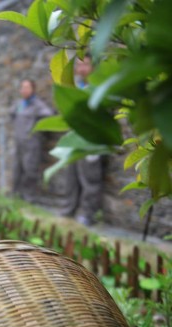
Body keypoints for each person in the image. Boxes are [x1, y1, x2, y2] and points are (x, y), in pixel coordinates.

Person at [60, 55, 105, 226]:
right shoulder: (75, 87)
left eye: (85, 64)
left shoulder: (98, 87)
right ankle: (68, 209)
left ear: (93, 66)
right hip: (74, 139)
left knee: (90, 179)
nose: (81, 68)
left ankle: (88, 214)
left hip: (91, 141)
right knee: (71, 177)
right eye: (78, 64)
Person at [10, 79, 53, 202]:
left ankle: (29, 197)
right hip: (19, 141)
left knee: (30, 170)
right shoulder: (19, 103)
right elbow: (11, 113)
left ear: (33, 89)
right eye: (22, 87)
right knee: (17, 168)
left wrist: (34, 125)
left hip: (31, 142)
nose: (24, 90)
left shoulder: (37, 104)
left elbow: (49, 114)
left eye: (27, 87)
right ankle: (16, 194)